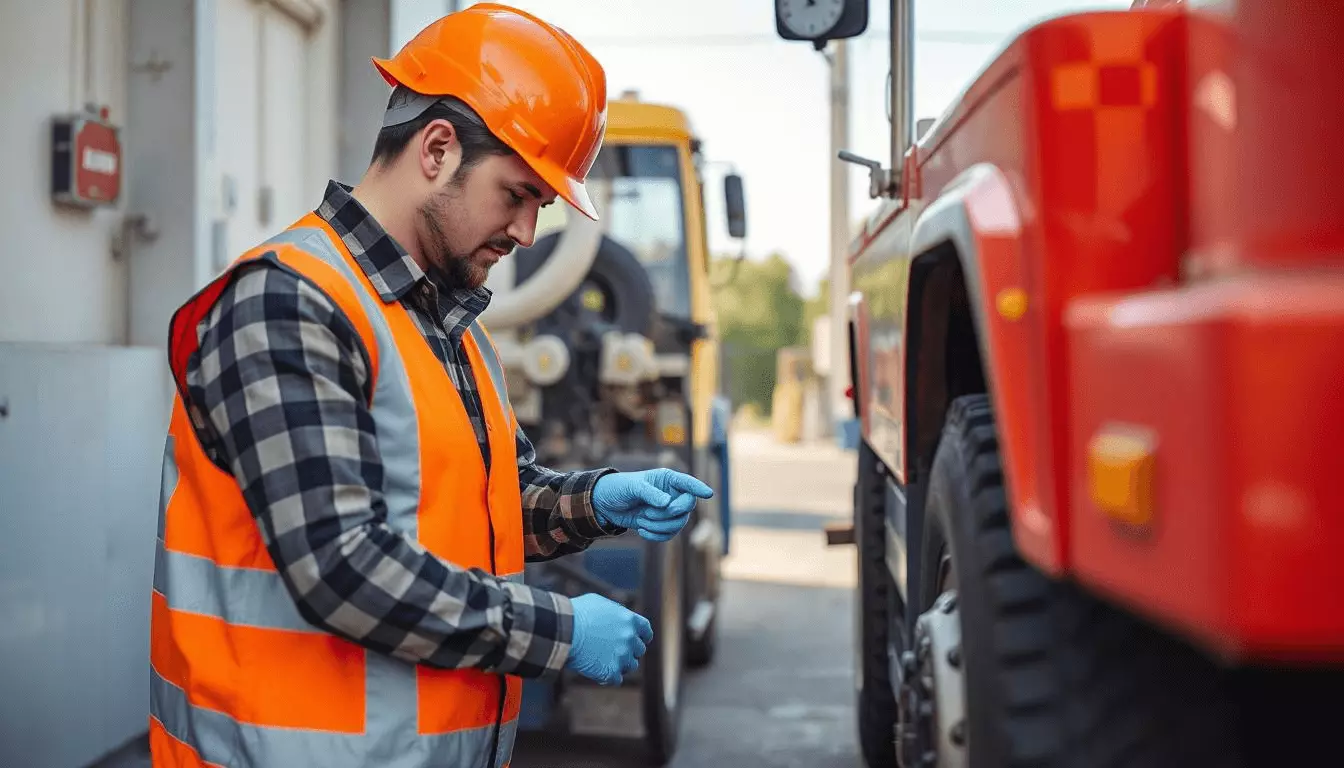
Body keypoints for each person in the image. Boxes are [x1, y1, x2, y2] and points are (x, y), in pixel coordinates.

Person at [146, 5, 713, 767]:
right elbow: (342, 566)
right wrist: (560, 632)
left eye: (540, 208)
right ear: (438, 149)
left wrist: (594, 500)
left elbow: (478, 511)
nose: (525, 234)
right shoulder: (289, 304)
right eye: (517, 195)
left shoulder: (449, 324)